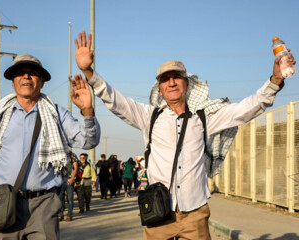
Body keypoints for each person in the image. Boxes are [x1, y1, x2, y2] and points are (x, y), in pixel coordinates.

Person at [75, 31, 295, 239]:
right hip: (158, 213)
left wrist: (275, 81)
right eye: (165, 79)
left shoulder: (204, 118)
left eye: (177, 77)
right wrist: (89, 73)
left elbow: (248, 108)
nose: (171, 82)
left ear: (187, 84)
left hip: (194, 214)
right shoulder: (148, 117)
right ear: (159, 89)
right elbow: (115, 100)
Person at [0, 53, 100, 240]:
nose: (26, 76)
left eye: (32, 73)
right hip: (4, 204)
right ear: (13, 82)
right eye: (20, 72)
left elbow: (89, 141)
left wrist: (87, 110)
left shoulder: (56, 114)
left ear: (42, 82)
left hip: (44, 206)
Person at [58, 152, 79, 222]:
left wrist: (73, 178)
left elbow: (76, 167)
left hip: (69, 179)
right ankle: (60, 214)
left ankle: (69, 215)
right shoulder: (59, 154)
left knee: (70, 198)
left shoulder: (72, 155)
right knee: (59, 198)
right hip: (60, 179)